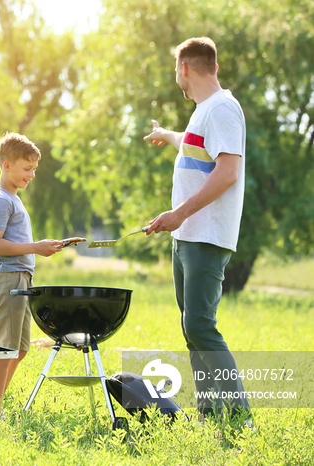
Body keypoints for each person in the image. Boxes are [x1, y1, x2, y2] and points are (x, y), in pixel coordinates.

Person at [143, 37, 251, 421]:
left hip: (204, 234)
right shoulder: (205, 110)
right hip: (188, 235)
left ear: (184, 69)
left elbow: (227, 172)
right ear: (214, 67)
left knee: (201, 326)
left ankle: (239, 415)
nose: (178, 80)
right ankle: (210, 413)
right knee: (192, 329)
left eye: (177, 72)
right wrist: (167, 135)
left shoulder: (222, 108)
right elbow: (194, 147)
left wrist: (179, 214)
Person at [0, 132, 63, 410]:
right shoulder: (2, 200)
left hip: (21, 280)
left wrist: (40, 247)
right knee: (4, 350)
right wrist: (35, 247)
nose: (31, 175)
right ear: (7, 165)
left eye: (34, 170)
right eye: (27, 169)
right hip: (7, 279)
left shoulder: (14, 198)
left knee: (20, 349)